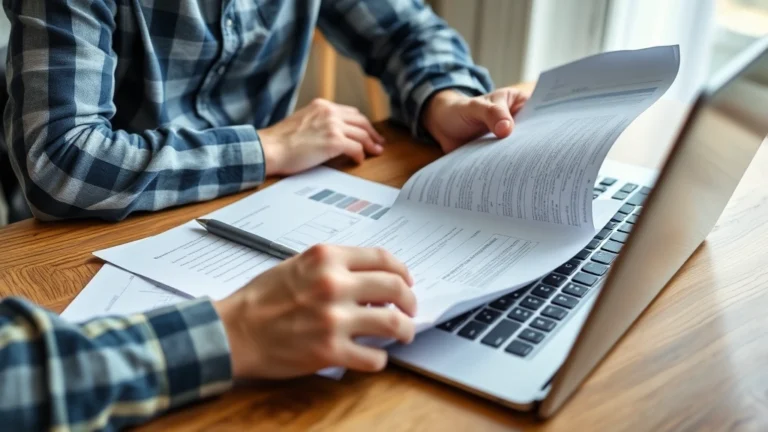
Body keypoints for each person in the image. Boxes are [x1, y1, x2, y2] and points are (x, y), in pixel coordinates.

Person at [1, 0, 529, 430]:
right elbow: (61, 162)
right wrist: (265, 147)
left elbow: (406, 29)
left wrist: (444, 96)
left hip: (264, 214)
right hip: (75, 255)